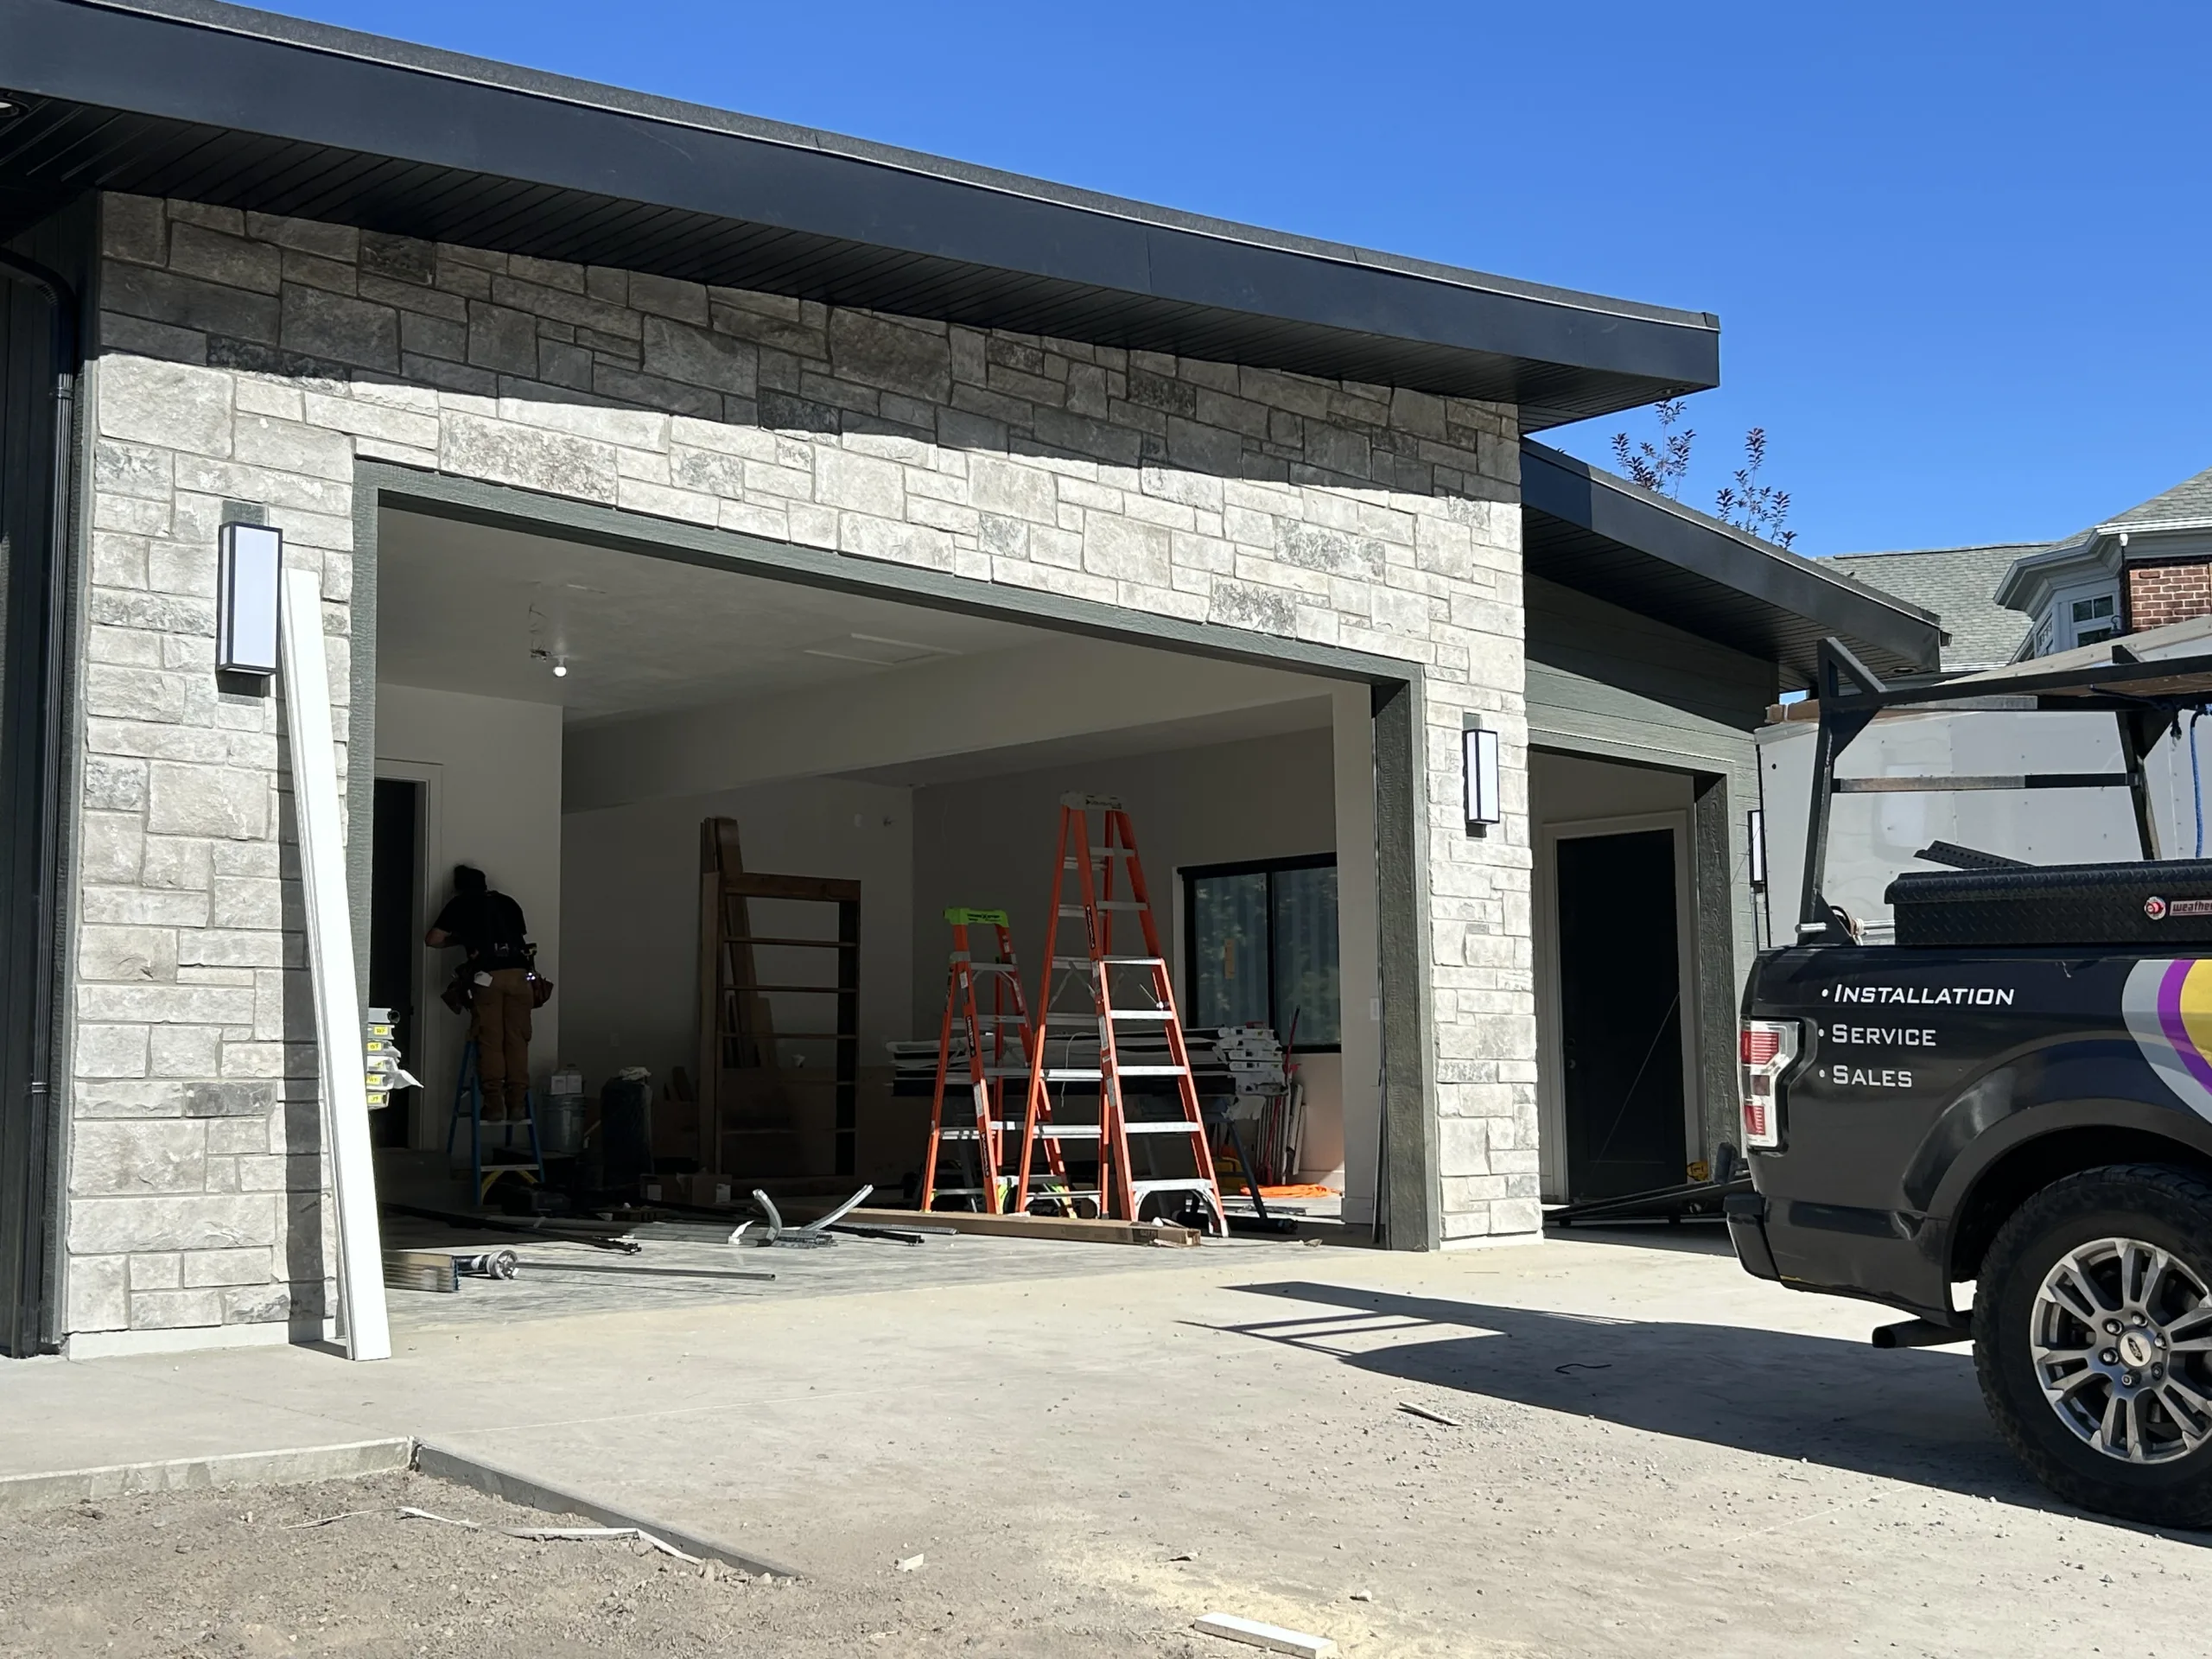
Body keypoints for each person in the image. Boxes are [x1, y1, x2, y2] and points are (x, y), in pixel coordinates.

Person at [426, 865, 535, 1122]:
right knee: (517, 1041)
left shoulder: (460, 903)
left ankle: (494, 1105)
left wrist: (460, 940)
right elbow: (517, 937)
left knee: (491, 1041)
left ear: (459, 886)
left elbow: (432, 939)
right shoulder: (508, 903)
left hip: (488, 979)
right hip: (521, 976)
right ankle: (517, 1104)